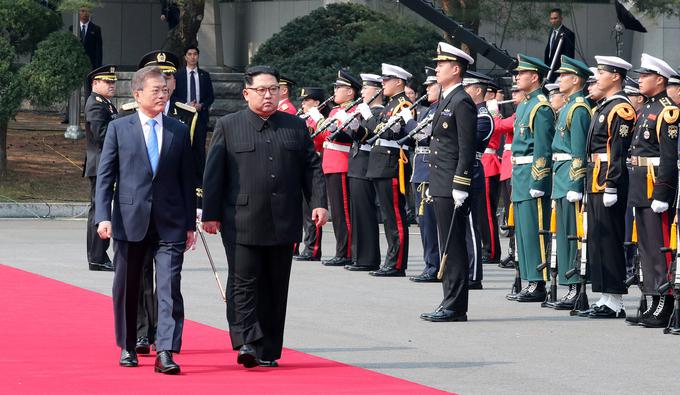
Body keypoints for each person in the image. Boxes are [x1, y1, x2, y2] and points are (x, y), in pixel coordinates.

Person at [201, 66, 328, 368]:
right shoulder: (229, 126)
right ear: (247, 94)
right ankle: (246, 341)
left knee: (275, 285)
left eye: (274, 89)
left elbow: (311, 168)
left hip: (283, 219)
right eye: (261, 90)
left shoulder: (295, 127)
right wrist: (211, 214)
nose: (268, 95)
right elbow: (214, 173)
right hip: (240, 219)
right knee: (243, 282)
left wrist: (319, 203)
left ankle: (268, 349)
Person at [95, 66, 196, 374]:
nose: (162, 95)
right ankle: (128, 345)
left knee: (168, 286)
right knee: (128, 285)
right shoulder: (119, 128)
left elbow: (186, 179)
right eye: (156, 90)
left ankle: (166, 350)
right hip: (129, 218)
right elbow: (105, 176)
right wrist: (103, 216)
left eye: (165, 90)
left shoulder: (178, 129)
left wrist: (190, 223)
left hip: (170, 221)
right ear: (137, 94)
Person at [133, 50, 199, 355]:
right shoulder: (128, 114)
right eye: (158, 80)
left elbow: (193, 167)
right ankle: (142, 332)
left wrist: (193, 212)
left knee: (169, 281)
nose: (165, 85)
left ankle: (167, 338)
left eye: (169, 78)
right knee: (142, 275)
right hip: (139, 210)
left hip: (172, 210)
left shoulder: (186, 117)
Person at [419, 42, 477, 322]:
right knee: (446, 244)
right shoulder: (446, 100)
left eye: (442, 64)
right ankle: (448, 300)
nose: (437, 68)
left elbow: (466, 147)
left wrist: (461, 184)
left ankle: (455, 306)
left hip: (452, 183)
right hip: (440, 181)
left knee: (453, 245)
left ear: (456, 69)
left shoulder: (462, 101)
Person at [625, 54, 679, 326]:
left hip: (654, 186)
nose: (640, 80)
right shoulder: (647, 108)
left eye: (645, 76)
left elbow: (669, 158)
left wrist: (662, 193)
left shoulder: (668, 111)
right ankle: (653, 298)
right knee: (646, 248)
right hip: (640, 184)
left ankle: (665, 300)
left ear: (659, 80)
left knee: (660, 248)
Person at [582, 56, 635, 319]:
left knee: (610, 238)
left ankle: (615, 299)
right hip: (595, 177)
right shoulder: (603, 107)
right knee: (598, 239)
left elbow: (618, 151)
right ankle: (605, 296)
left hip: (607, 180)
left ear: (615, 76)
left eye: (601, 72)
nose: (597, 77)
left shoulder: (621, 109)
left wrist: (612, 183)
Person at [545, 56, 592, 310]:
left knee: (573, 235)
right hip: (560, 176)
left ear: (575, 80)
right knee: (563, 235)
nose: (559, 79)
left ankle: (575, 287)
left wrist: (576, 185)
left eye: (563, 76)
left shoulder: (578, 109)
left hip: (570, 178)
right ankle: (568, 284)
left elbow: (578, 152)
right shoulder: (567, 108)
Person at [510, 54, 555, 303]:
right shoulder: (525, 104)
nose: (517, 77)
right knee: (523, 232)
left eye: (521, 73)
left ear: (534, 77)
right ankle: (529, 280)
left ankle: (538, 282)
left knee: (535, 231)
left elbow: (542, 148)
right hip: (520, 174)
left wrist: (539, 181)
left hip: (531, 176)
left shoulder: (541, 106)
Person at [366, 63, 413, 277]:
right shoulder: (389, 105)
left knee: (394, 216)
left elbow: (405, 136)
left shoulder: (403, 104)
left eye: (387, 80)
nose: (383, 84)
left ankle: (396, 263)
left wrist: (394, 132)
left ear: (399, 82)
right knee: (387, 216)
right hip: (379, 163)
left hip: (391, 163)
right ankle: (391, 259)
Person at [315, 70, 362, 267]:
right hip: (330, 163)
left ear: (350, 92)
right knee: (336, 211)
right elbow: (321, 139)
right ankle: (340, 249)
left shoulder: (354, 110)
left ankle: (346, 252)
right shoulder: (335, 111)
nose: (334, 91)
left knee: (343, 212)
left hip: (342, 162)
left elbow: (348, 137)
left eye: (339, 87)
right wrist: (317, 121)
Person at [403, 68, 441, 282]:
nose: (426, 90)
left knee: (429, 221)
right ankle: (430, 264)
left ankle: (434, 266)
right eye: (426, 86)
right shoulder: (428, 109)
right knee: (423, 221)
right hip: (420, 168)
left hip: (429, 168)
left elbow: (422, 133)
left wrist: (408, 121)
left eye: (431, 85)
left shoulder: (437, 110)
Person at [344, 73, 384, 272]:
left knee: (365, 214)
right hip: (356, 164)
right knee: (357, 214)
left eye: (365, 89)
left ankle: (368, 258)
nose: (362, 92)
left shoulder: (378, 112)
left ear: (377, 91)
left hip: (366, 166)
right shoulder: (365, 111)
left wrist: (362, 122)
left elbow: (373, 135)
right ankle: (358, 256)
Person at [462, 71, 495, 289]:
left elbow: (468, 142)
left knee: (472, 225)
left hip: (472, 170)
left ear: (477, 90)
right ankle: (465, 270)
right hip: (460, 169)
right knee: (463, 226)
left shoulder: (483, 117)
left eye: (468, 87)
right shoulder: (470, 113)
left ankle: (474, 275)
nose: (464, 91)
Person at [84, 65, 117, 272]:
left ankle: (99, 255)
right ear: (95, 84)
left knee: (101, 209)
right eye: (107, 81)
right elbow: (102, 135)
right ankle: (97, 257)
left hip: (103, 163)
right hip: (100, 164)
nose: (112, 85)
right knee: (99, 210)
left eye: (113, 81)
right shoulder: (96, 104)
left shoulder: (105, 104)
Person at [172, 45, 215, 185]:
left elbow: (210, 97)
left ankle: (200, 181)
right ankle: (183, 176)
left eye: (195, 54)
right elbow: (173, 96)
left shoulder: (204, 75)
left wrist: (201, 105)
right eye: (189, 54)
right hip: (183, 117)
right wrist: (186, 105)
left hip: (200, 117)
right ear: (185, 57)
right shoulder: (178, 75)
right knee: (184, 146)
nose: (192, 57)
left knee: (199, 147)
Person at [293, 87, 326, 261]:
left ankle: (313, 248)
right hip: (300, 165)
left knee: (312, 210)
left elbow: (323, 139)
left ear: (317, 103)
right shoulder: (303, 119)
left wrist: (318, 119)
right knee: (303, 211)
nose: (303, 103)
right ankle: (305, 244)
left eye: (307, 100)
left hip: (315, 164)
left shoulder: (319, 119)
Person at [544, 8, 575, 81]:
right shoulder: (552, 31)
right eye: (551, 19)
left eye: (555, 18)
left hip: (559, 72)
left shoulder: (568, 33)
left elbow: (569, 56)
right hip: (549, 69)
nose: (553, 21)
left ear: (561, 18)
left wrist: (564, 73)